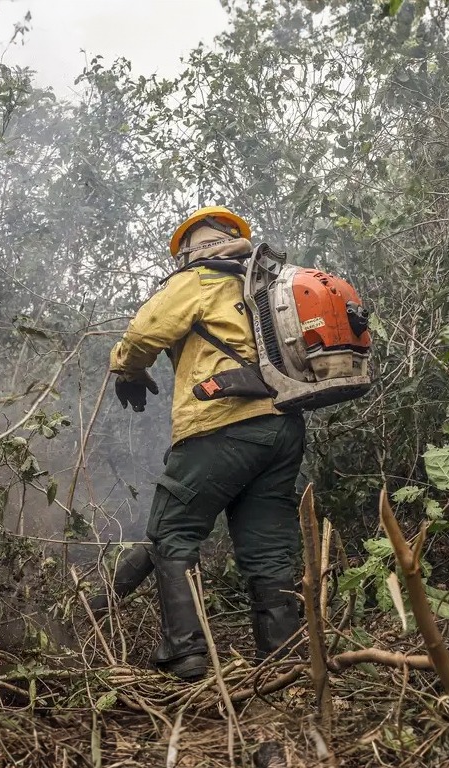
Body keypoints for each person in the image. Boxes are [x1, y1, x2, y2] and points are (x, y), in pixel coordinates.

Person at [109, 206, 306, 681]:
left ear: (189, 250)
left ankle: (185, 653)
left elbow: (143, 333)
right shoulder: (265, 285)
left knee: (173, 532)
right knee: (267, 549)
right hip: (283, 427)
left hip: (221, 420)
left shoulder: (198, 279)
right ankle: (284, 661)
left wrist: (127, 370)